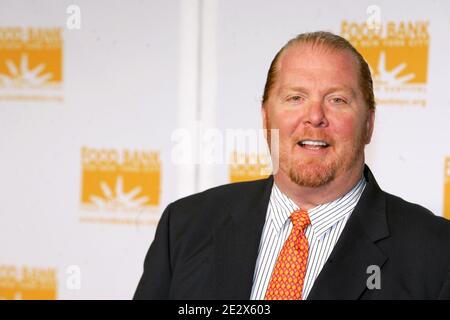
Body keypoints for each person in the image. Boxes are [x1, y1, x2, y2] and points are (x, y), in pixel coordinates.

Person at [134, 31, 450, 300]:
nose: (314, 117)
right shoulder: (186, 226)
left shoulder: (436, 254)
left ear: (368, 124)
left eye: (337, 99)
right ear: (265, 117)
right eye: (295, 97)